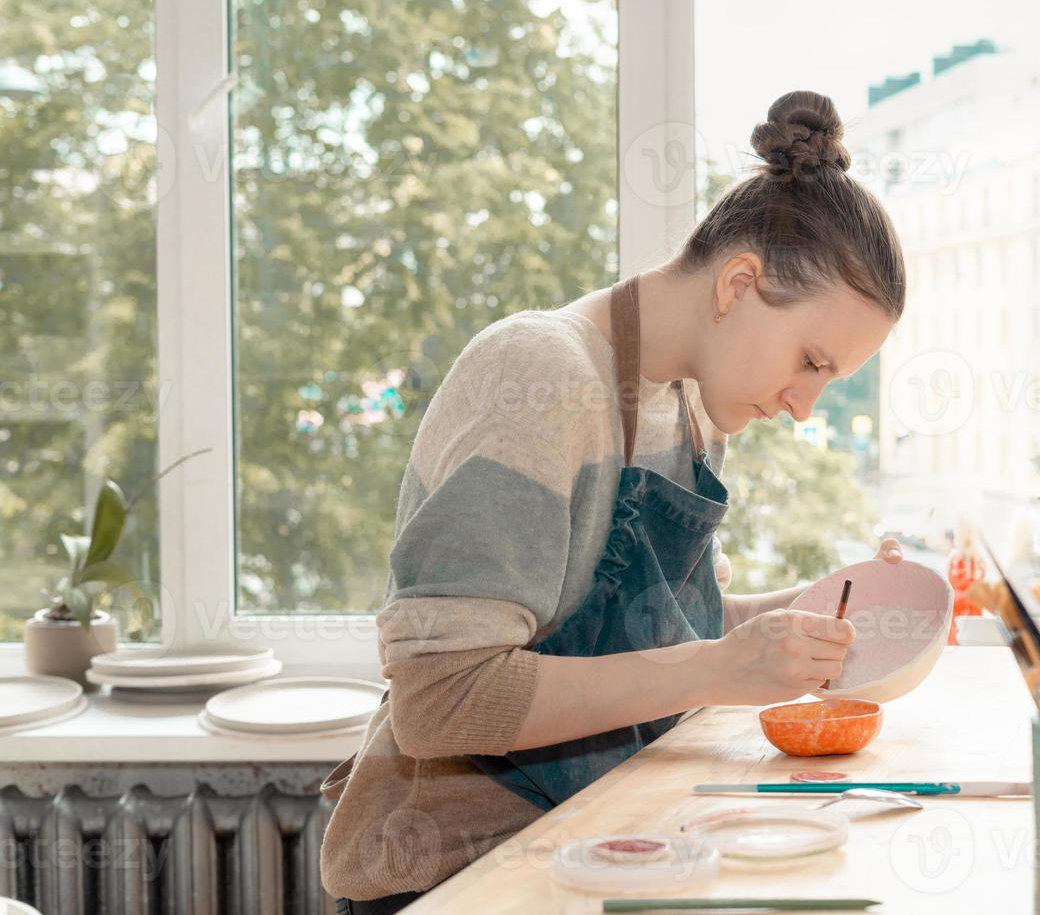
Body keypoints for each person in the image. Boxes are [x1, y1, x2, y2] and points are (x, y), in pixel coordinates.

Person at [321, 90, 908, 913]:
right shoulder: (537, 375)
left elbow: (657, 631)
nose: (804, 406)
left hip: (592, 844)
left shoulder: (689, 406)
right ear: (738, 283)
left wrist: (825, 611)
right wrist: (718, 668)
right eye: (810, 362)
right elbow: (438, 702)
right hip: (459, 875)